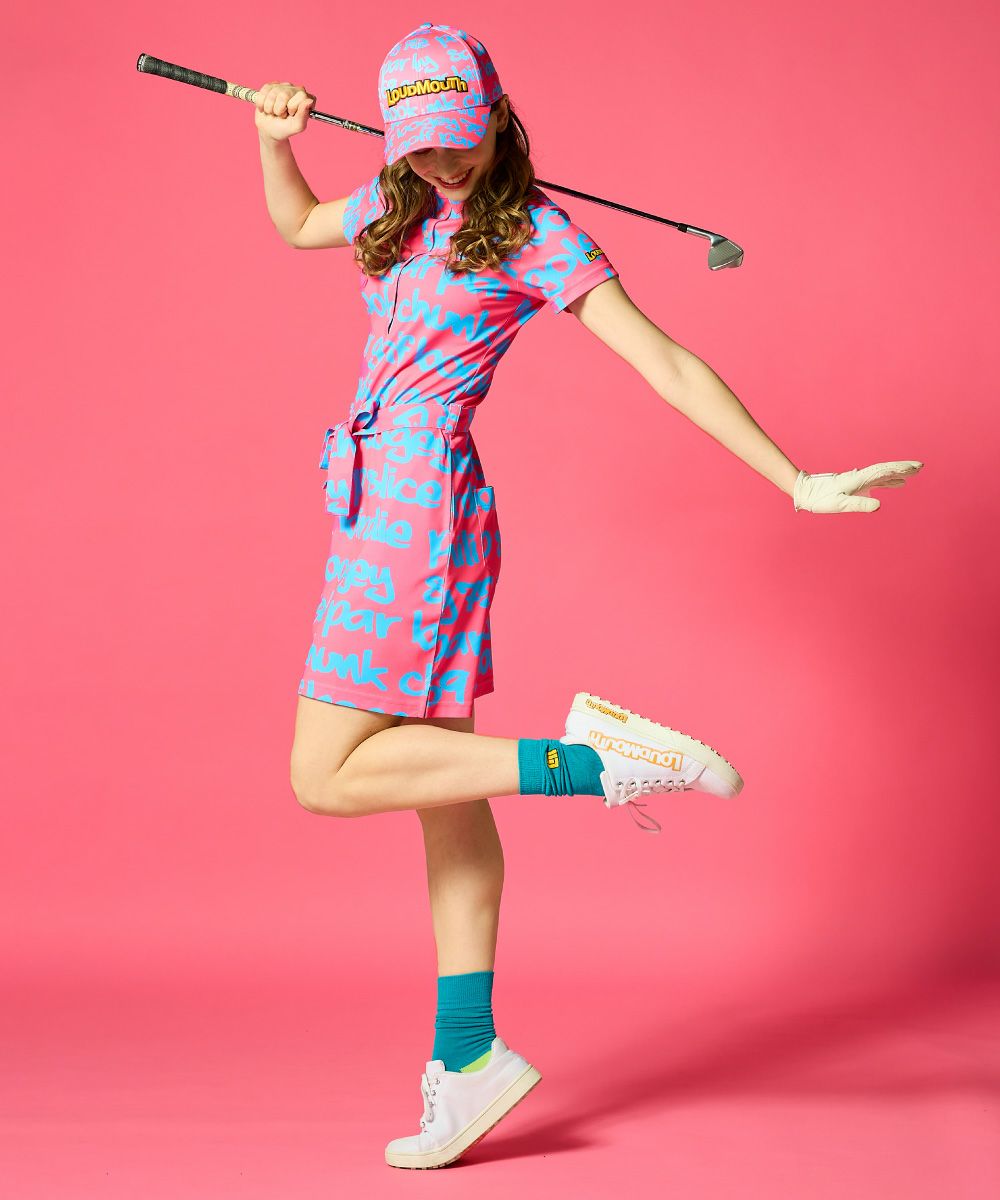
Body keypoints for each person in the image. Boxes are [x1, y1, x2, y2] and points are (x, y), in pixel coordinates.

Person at [254, 22, 922, 1170]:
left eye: (458, 138)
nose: (441, 160)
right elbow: (301, 224)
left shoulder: (537, 232)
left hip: (419, 512)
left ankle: (596, 762)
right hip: (373, 502)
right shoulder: (394, 202)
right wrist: (276, 142)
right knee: (445, 798)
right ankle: (467, 1057)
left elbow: (662, 359)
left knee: (323, 777)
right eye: (421, 143)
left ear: (497, 119)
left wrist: (793, 480)